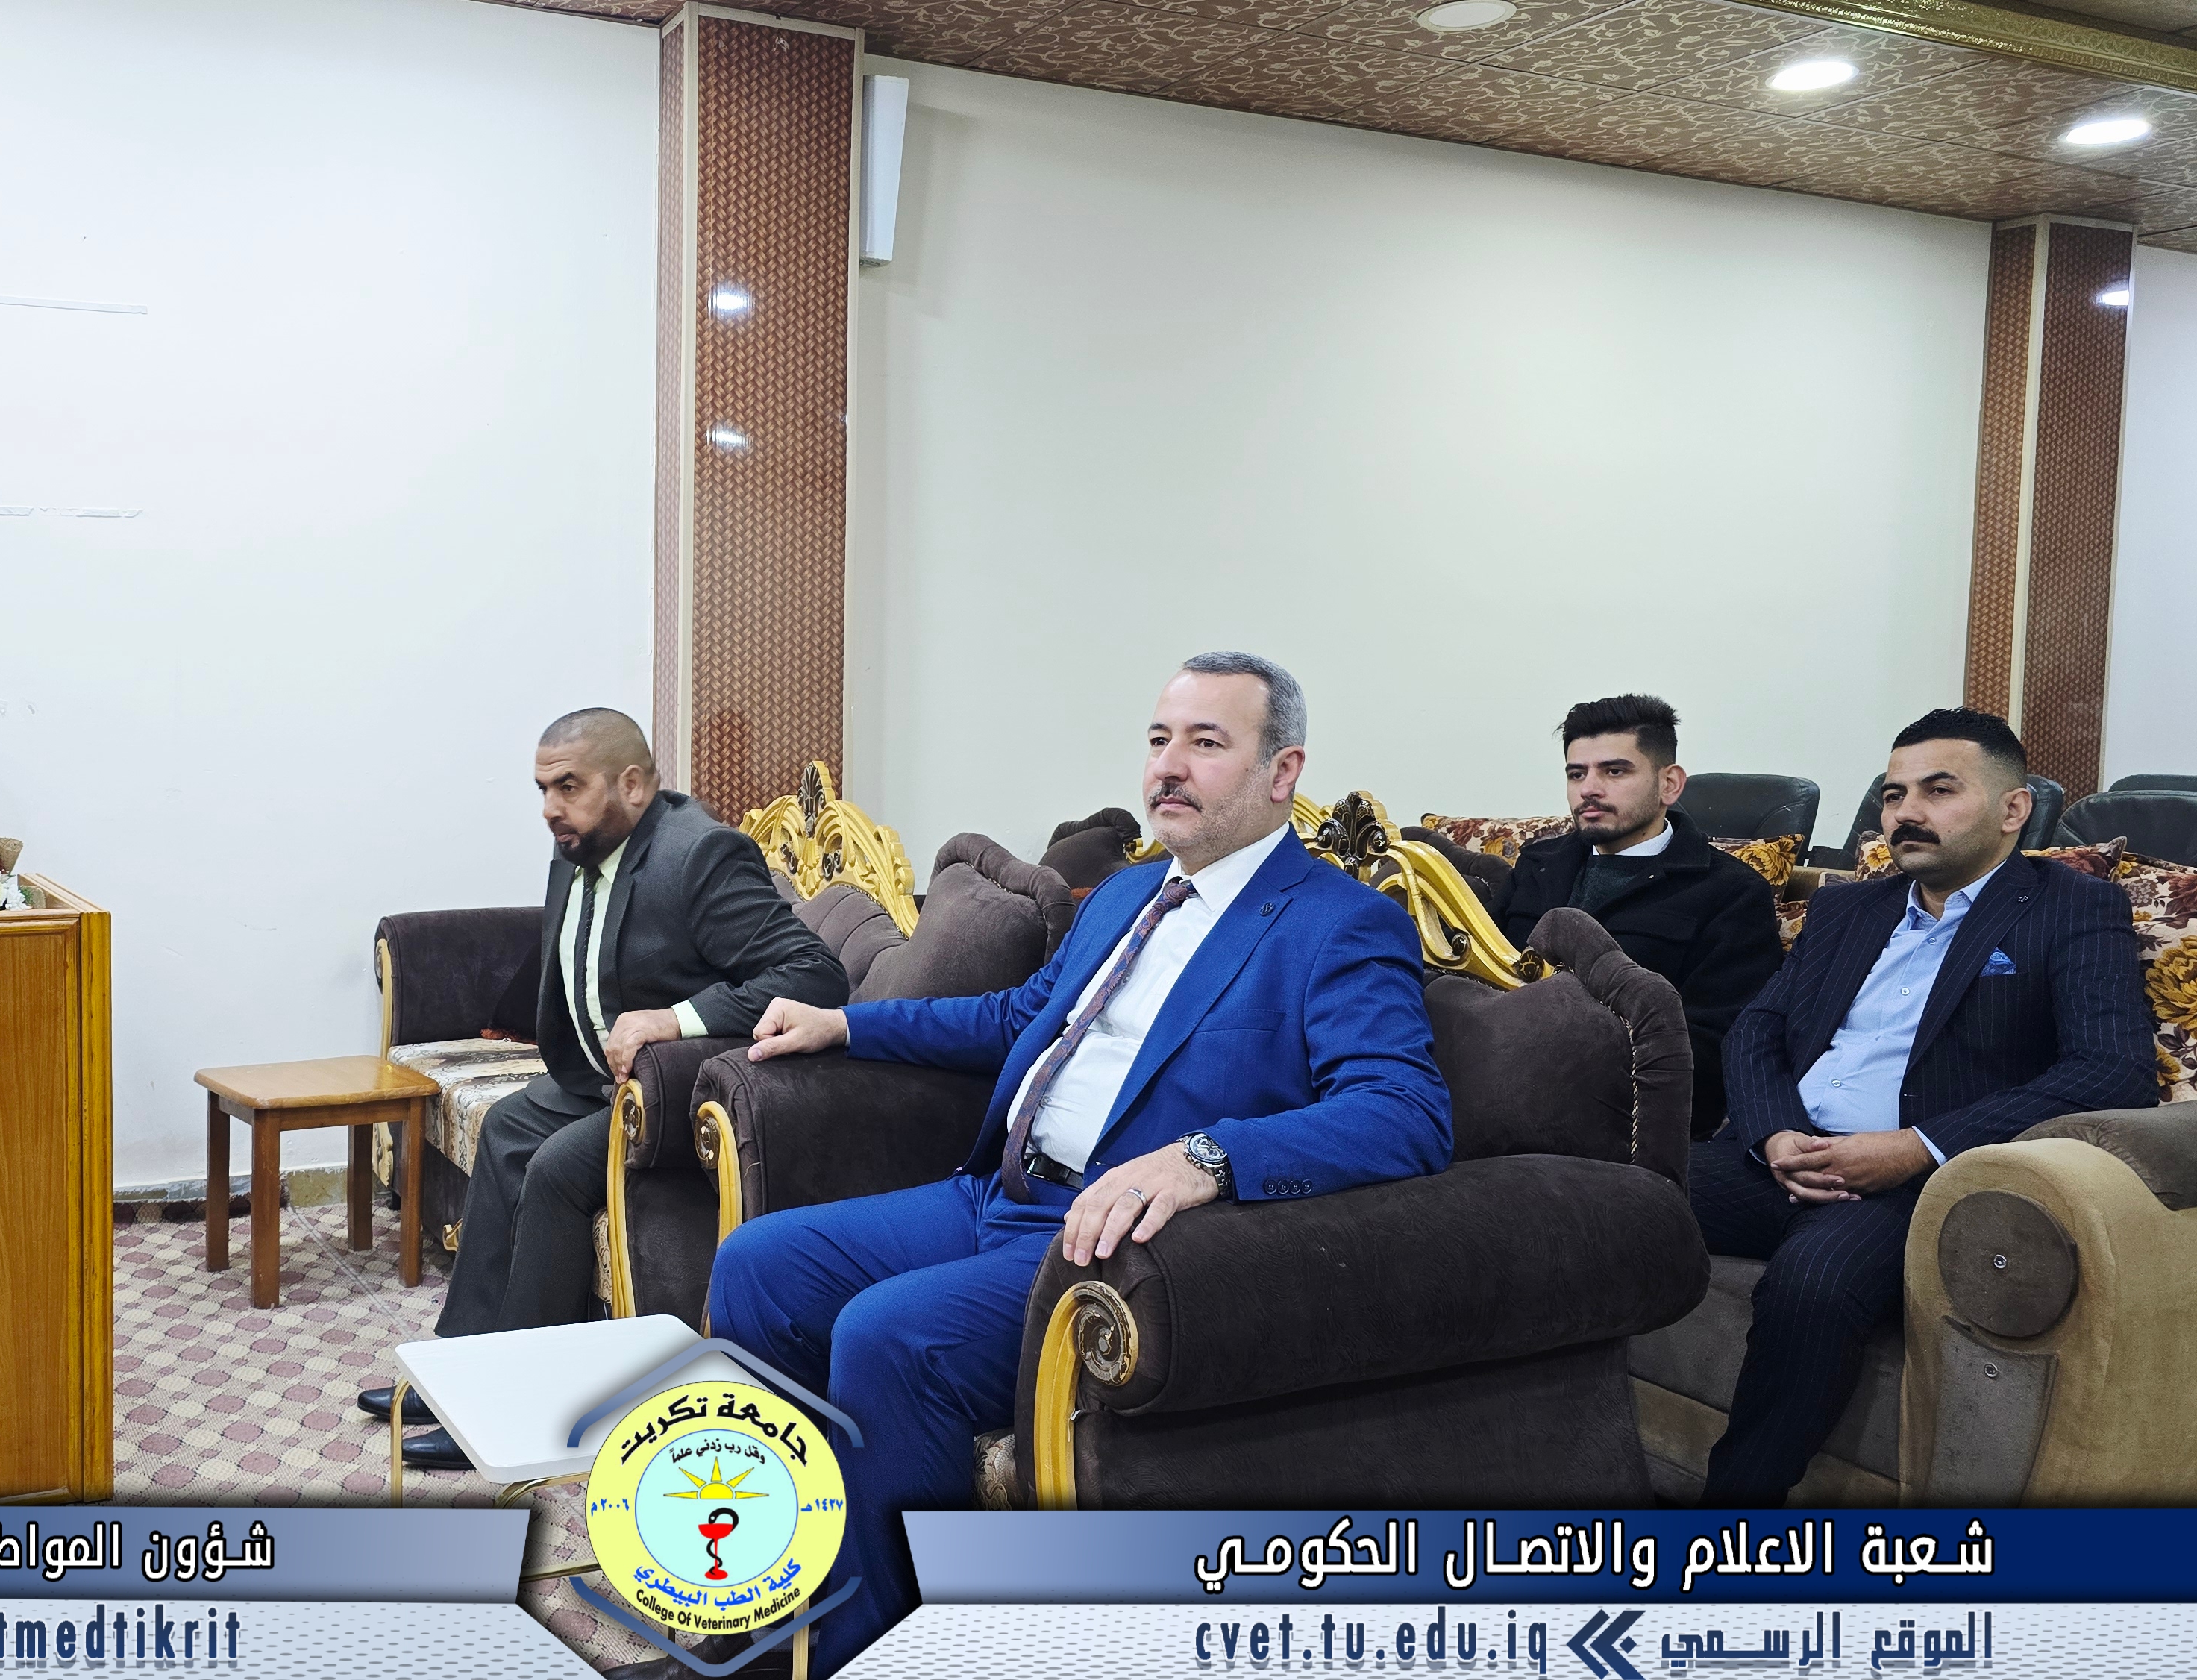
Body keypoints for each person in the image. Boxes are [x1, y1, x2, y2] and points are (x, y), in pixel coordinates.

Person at [654, 653, 1451, 1678]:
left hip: (1105, 1243)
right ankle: (771, 1599)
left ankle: (872, 1651)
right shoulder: (1125, 895)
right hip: (1001, 1192)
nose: (1168, 766)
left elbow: (1402, 1111)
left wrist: (1209, 1157)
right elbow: (1017, 1017)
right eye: (1159, 739)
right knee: (760, 1264)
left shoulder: (1338, 922)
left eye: (1207, 743)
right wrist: (846, 1023)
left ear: (1282, 771)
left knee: (889, 1334)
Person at [360, 708, 846, 1471]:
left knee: (556, 1167)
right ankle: (463, 1366)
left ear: (633, 784)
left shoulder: (700, 855)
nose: (550, 806)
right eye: (543, 788)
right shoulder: (577, 845)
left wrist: (674, 1019)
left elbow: (813, 974)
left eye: (569, 786)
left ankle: (521, 1406)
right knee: (509, 1128)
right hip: (597, 1080)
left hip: (680, 1092)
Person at [1696, 707, 2151, 1507]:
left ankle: (1730, 1521)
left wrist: (1916, 1146)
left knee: (1812, 1282)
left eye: (1939, 791)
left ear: (2013, 809)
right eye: (1893, 794)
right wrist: (1772, 1131)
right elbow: (1757, 1030)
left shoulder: (2071, 907)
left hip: (1913, 1180)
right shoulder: (1848, 908)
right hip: (1778, 1154)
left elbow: (2110, 1072)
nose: (1906, 812)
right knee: (1604, 1195)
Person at [1499, 695, 1782, 1126]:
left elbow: (1718, 1045)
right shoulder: (1537, 866)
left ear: (1669, 784)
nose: (1589, 789)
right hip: (1491, 1080)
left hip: (1621, 1114)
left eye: (1614, 771)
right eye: (1577, 774)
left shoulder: (1730, 893)